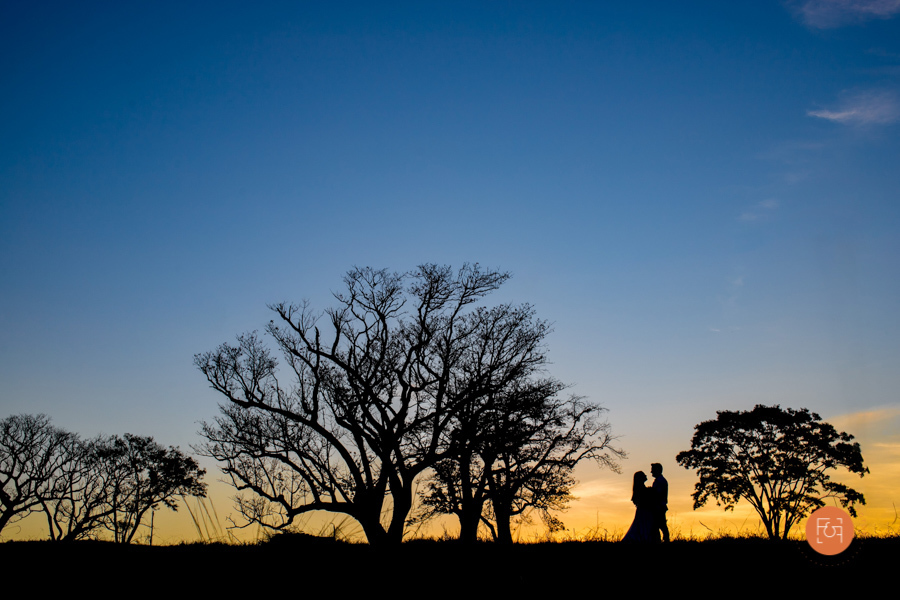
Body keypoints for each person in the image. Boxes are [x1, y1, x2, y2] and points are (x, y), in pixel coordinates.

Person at [622, 471, 658, 542]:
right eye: (644, 475)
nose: (646, 476)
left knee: (640, 525)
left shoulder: (640, 487)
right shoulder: (641, 488)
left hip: (642, 510)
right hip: (643, 510)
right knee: (641, 526)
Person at [651, 462, 670, 542]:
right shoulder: (659, 481)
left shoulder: (661, 481)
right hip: (658, 506)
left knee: (660, 524)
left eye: (653, 470)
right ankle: (659, 539)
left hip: (659, 507)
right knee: (657, 525)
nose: (651, 472)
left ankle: (665, 540)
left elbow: (658, 494)